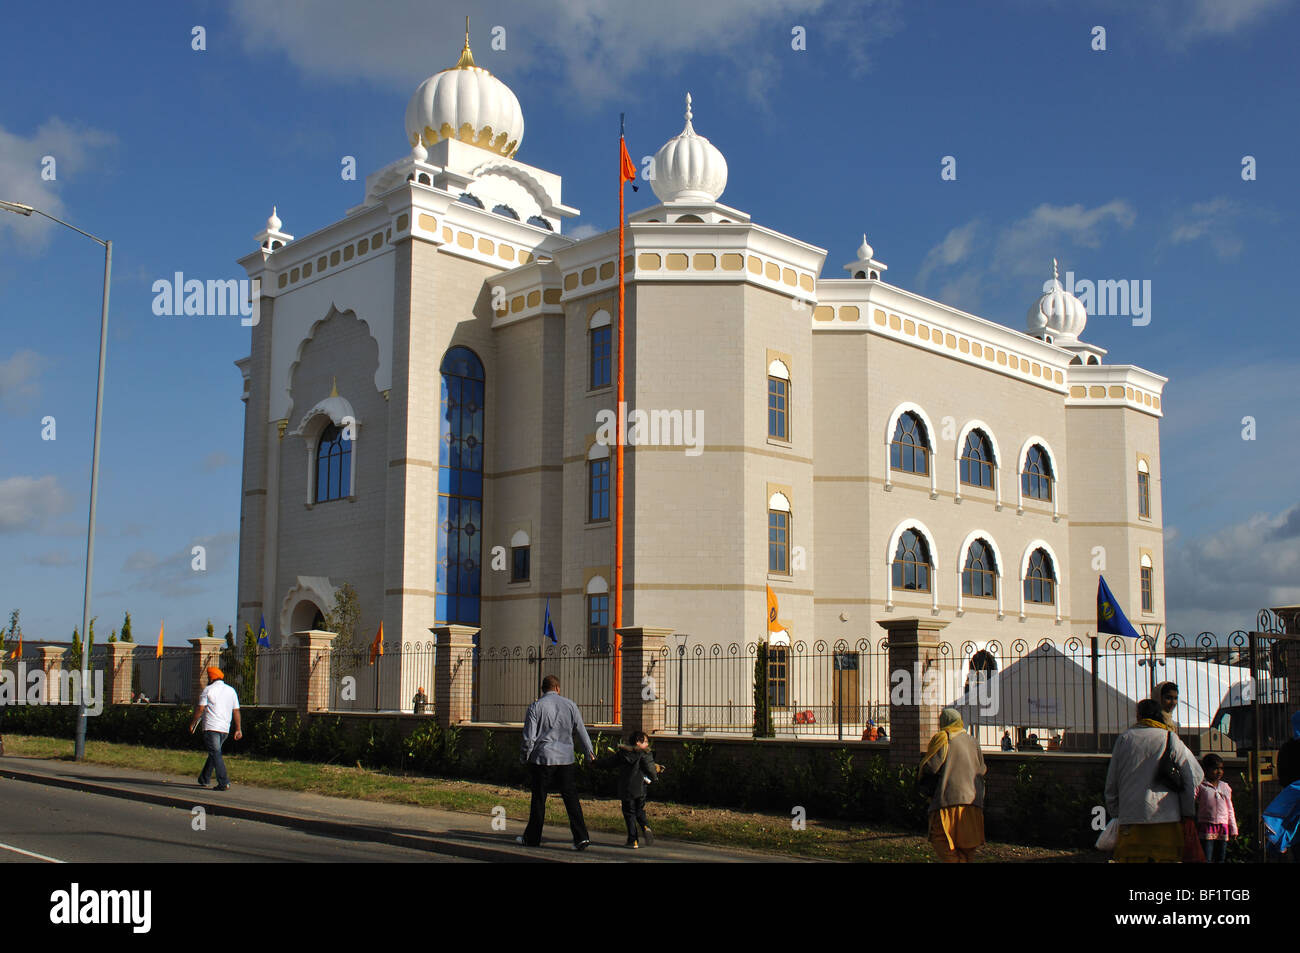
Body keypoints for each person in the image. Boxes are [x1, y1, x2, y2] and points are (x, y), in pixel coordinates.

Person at [1104, 698, 1202, 862]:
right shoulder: (1170, 738)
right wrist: (1188, 812)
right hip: (1166, 816)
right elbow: (1193, 775)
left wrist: (1116, 812)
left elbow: (1112, 780)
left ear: (1138, 715)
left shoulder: (1125, 739)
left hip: (1131, 815)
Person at [517, 674, 594, 850]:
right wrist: (590, 754)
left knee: (539, 799)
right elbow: (581, 731)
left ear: (542, 689)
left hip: (543, 758)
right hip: (566, 759)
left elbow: (529, 738)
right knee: (571, 798)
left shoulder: (535, 707)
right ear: (558, 688)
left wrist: (524, 756)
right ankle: (581, 837)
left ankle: (532, 838)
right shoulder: (570, 705)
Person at [919, 708, 987, 862]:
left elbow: (931, 767)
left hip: (948, 802)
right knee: (968, 849)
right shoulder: (973, 741)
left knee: (942, 841)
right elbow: (982, 769)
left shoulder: (943, 738)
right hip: (973, 804)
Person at [604, 730, 661, 849]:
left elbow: (609, 762)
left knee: (629, 813)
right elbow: (651, 768)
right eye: (645, 741)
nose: (647, 744)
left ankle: (633, 840)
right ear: (637, 742)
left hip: (626, 789)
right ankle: (645, 826)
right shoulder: (645, 754)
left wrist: (595, 763)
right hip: (641, 789)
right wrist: (655, 777)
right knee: (639, 810)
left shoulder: (623, 753)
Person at [188, 666, 242, 791]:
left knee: (215, 753)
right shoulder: (231, 690)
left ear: (211, 678)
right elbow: (236, 711)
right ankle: (204, 778)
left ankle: (223, 782)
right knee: (214, 753)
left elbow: (200, 709)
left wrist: (193, 723)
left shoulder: (208, 690)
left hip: (211, 727)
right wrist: (238, 729)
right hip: (225, 729)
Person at [1194, 753, 1237, 863]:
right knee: (1206, 857)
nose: (1219, 772)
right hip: (1206, 826)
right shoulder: (1201, 785)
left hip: (1223, 826)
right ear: (1206, 769)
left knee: (1220, 858)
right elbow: (1191, 799)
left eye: (1221, 768)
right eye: (1215, 768)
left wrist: (1233, 828)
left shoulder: (1225, 787)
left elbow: (1230, 809)